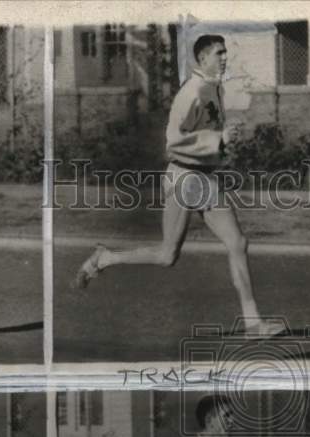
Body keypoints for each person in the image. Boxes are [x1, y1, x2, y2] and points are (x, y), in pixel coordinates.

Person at [73, 35, 284, 340]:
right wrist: (218, 139)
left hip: (206, 178)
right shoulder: (192, 91)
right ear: (202, 59)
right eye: (219, 53)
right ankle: (105, 257)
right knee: (167, 255)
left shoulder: (213, 87)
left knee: (237, 243)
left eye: (226, 52)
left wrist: (223, 140)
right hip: (184, 178)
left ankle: (253, 323)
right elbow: (173, 140)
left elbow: (206, 133)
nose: (225, 58)